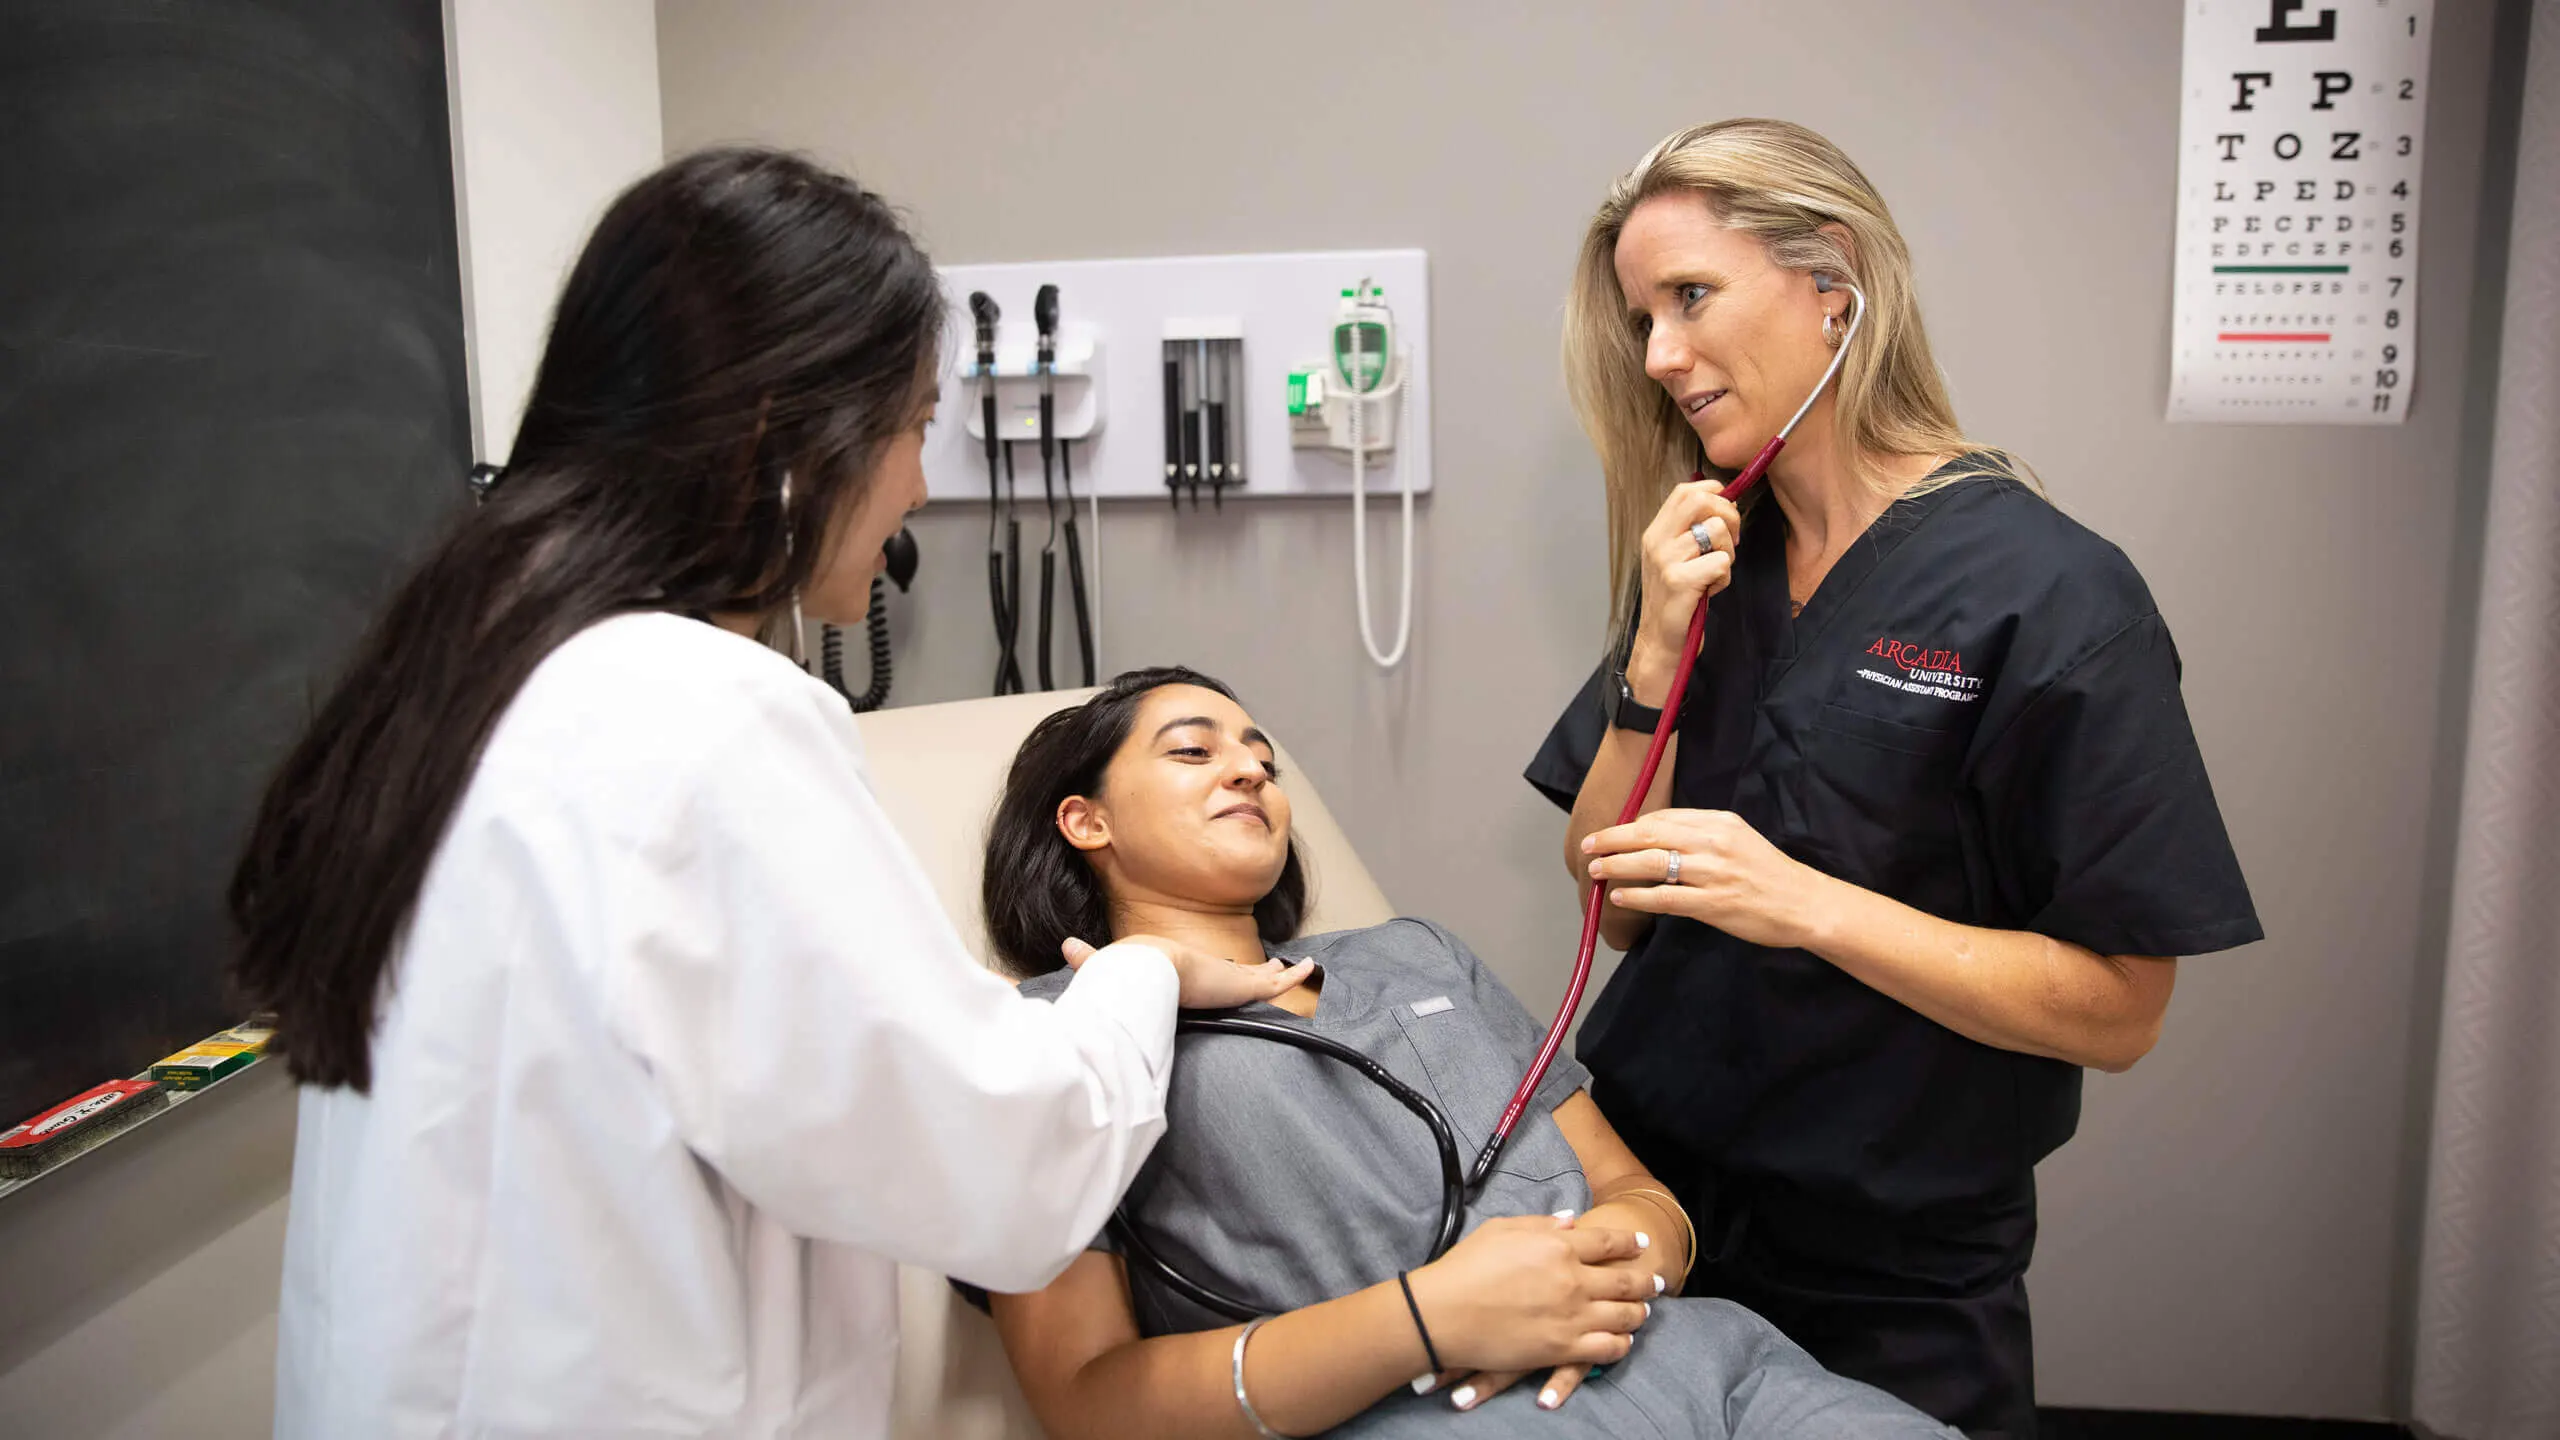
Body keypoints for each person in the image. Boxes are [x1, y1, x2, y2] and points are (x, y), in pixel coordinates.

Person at [226, 149, 1308, 1439]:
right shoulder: (697, 714)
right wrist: (1138, 977)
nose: (914, 488)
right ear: (782, 439)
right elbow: (1001, 1164)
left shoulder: (460, 680)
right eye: (911, 429)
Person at [1528, 119, 2262, 1438]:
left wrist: (1802, 902)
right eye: (1643, 318)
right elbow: (1617, 903)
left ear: (1836, 282)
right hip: (1652, 1210)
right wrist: (1650, 649)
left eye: (1690, 298)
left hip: (1893, 1273)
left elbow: (2119, 1013)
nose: (1660, 358)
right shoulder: (1715, 555)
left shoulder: (2047, 592)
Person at [971, 667, 1957, 1438]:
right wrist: (1427, 1320)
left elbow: (1642, 1199)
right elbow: (1085, 1401)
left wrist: (1612, 1278)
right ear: (1084, 819)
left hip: (1726, 1377)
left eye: (1263, 758)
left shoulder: (1415, 954)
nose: (1250, 770)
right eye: (1193, 752)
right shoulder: (1045, 1037)